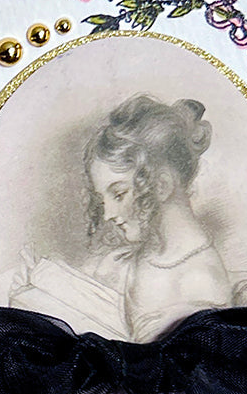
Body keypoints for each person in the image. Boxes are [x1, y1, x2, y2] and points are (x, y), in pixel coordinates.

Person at [82, 94, 230, 341]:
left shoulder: (201, 283)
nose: (108, 214)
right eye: (102, 200)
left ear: (161, 186)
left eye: (118, 194)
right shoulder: (124, 262)